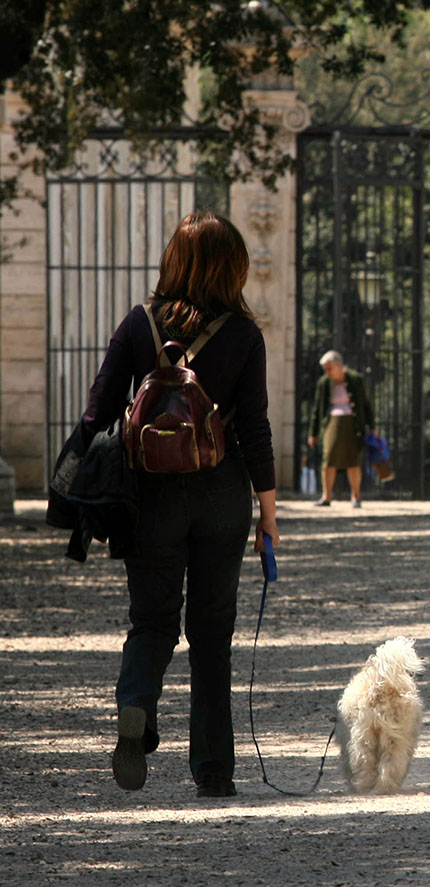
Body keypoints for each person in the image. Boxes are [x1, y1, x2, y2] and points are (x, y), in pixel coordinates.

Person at [81, 211, 278, 798]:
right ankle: (214, 773)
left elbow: (97, 414)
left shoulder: (139, 324)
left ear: (174, 260)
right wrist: (268, 514)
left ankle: (136, 707)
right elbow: (257, 431)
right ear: (232, 268)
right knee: (212, 634)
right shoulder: (243, 334)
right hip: (221, 493)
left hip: (151, 497)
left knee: (153, 622)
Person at [307, 351, 375, 507]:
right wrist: (313, 432)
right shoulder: (324, 383)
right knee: (329, 457)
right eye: (325, 368)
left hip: (353, 423)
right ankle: (326, 496)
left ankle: (356, 496)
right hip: (332, 422)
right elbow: (317, 409)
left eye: (329, 368)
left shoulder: (355, 379)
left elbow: (365, 404)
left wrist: (371, 426)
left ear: (338, 366)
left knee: (353, 459)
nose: (327, 372)